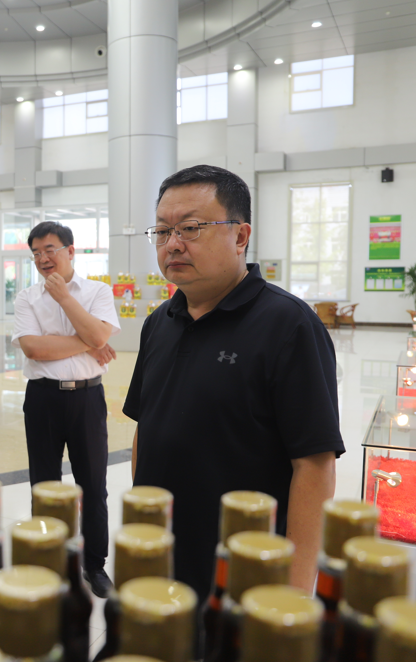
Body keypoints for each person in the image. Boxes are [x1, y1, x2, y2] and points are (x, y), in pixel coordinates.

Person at [122, 165, 343, 614]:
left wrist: (292, 594)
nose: (173, 244)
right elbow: (147, 427)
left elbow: (314, 466)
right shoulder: (158, 323)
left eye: (191, 228)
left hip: (245, 570)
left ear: (240, 236)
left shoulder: (289, 325)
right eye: (162, 231)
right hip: (161, 558)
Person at [13, 221, 120, 598]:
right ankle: (49, 561)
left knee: (93, 485)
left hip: (87, 399)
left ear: (70, 251)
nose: (43, 258)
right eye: (36, 252)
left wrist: (64, 299)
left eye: (50, 249)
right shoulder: (26, 297)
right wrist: (89, 341)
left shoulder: (97, 291)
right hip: (42, 398)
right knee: (44, 486)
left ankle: (95, 564)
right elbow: (34, 349)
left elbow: (101, 335)